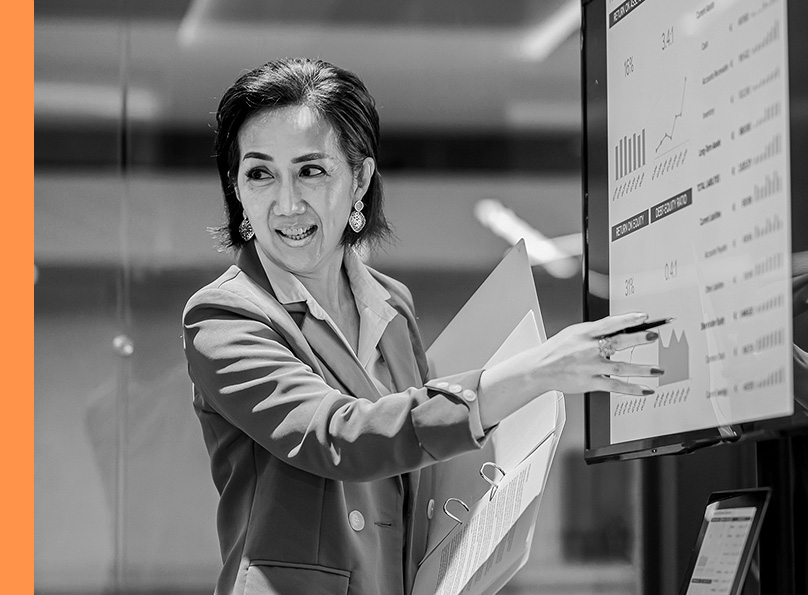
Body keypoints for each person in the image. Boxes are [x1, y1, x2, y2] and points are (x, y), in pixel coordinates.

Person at [182, 57, 661, 595]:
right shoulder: (224, 316)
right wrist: (535, 372)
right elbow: (340, 436)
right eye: (260, 173)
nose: (286, 202)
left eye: (311, 170)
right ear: (237, 186)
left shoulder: (391, 306)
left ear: (359, 178)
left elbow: (416, 481)